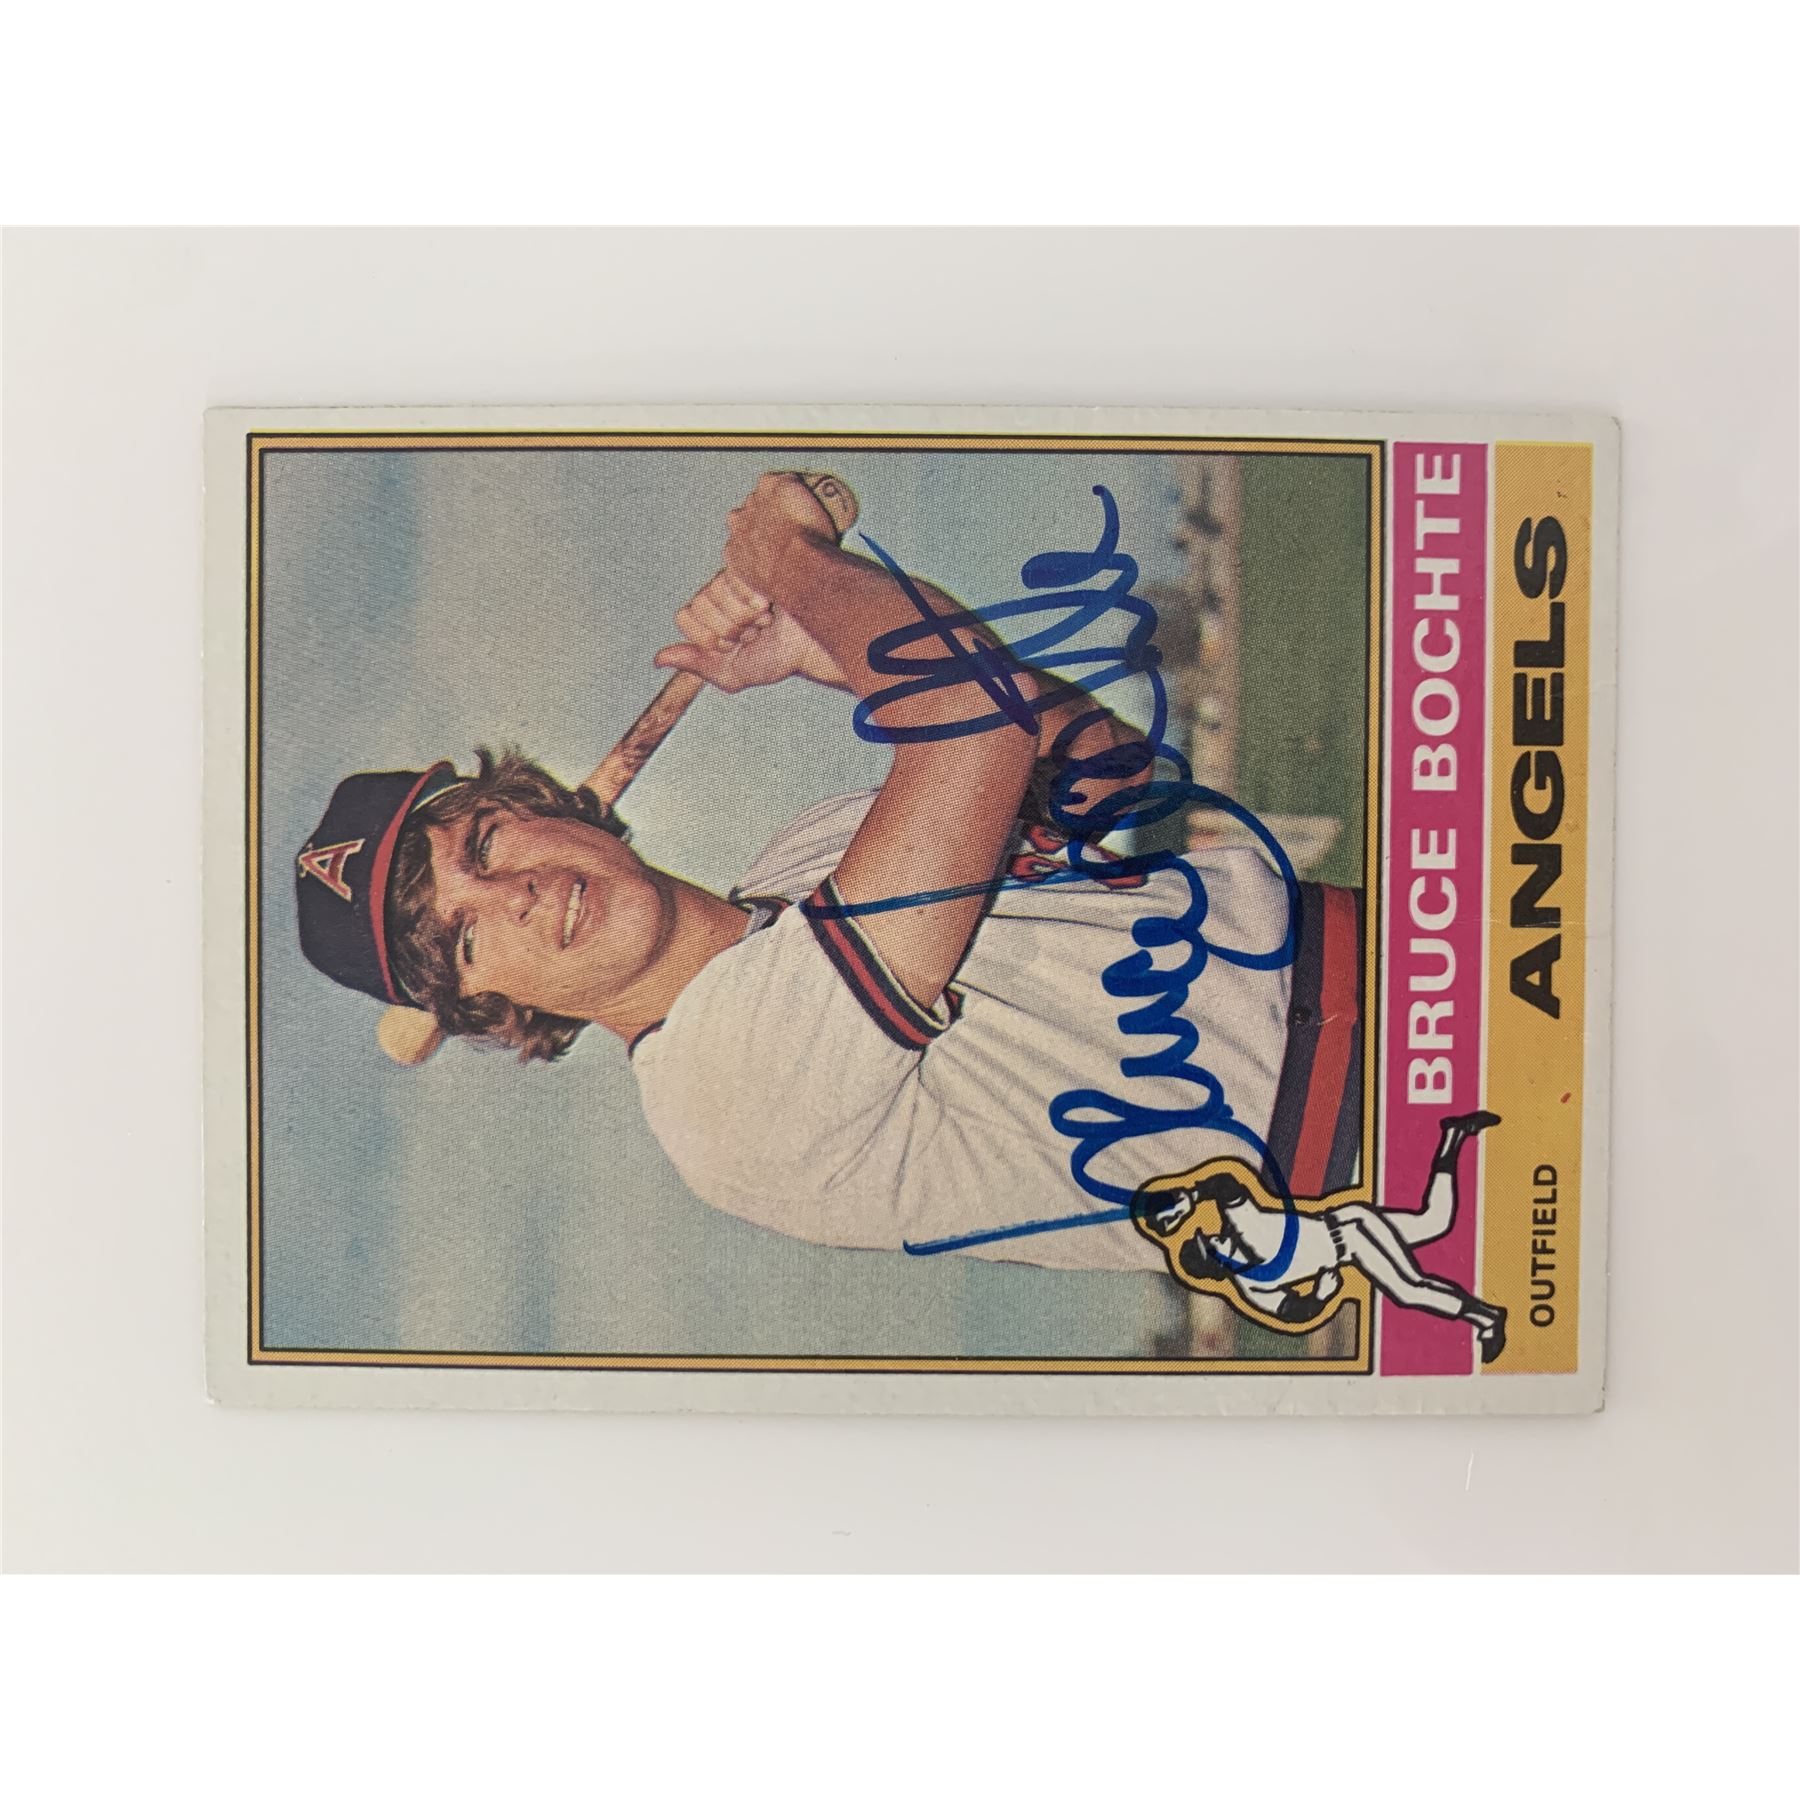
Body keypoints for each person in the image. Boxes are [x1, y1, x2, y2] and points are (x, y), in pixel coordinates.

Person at [294, 474, 1366, 1273]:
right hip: (1361, 1137)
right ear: (495, 1009)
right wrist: (792, 565)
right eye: (466, 938)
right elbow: (969, 724)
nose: (514, 896)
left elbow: (1108, 775)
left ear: (540, 803)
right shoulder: (716, 1097)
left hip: (1386, 944)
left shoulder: (815, 851)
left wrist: (824, 653)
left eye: (484, 846)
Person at [1135, 1111, 1507, 1359]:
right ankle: (1453, 1137)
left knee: (1409, 1289)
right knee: (1434, 1222)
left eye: (1208, 1238)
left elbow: (1226, 1184)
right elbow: (1293, 1312)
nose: (1214, 1237)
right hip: (1350, 1239)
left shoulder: (1243, 1229)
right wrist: (1320, 1295)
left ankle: (1488, 1318)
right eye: (1211, 1245)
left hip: (1351, 1232)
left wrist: (1192, 1195)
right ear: (1217, 1265)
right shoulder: (1251, 1287)